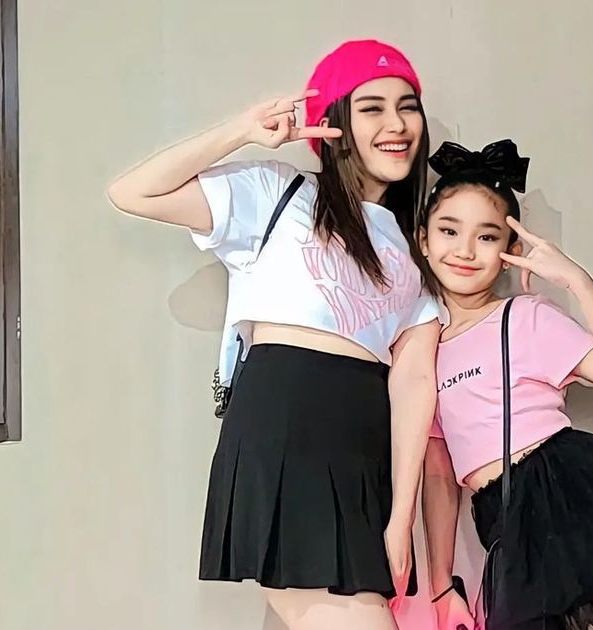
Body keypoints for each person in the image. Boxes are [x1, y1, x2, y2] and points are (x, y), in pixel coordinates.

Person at [107, 40, 442, 630]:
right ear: (335, 124)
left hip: (364, 454)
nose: (396, 124)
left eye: (407, 107)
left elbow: (415, 383)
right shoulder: (277, 193)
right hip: (286, 429)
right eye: (372, 108)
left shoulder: (413, 248)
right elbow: (133, 191)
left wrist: (401, 516)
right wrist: (242, 131)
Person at [419, 139, 593, 630]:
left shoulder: (525, 317)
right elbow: (439, 473)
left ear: (511, 253)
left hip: (558, 490)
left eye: (487, 237)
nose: (465, 250)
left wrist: (576, 280)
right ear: (423, 240)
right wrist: (441, 582)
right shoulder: (421, 350)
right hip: (498, 514)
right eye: (449, 230)